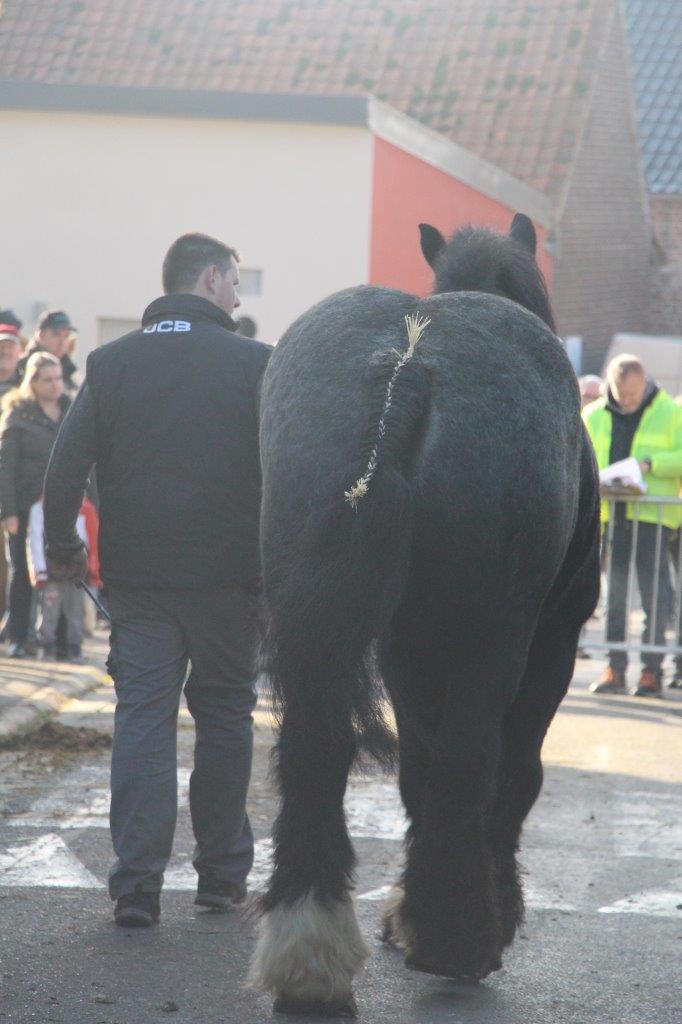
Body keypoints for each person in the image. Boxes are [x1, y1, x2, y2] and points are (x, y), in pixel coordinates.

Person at [42, 232, 272, 928]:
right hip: (233, 581)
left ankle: (136, 885)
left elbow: (64, 466)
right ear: (208, 280)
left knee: (143, 718)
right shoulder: (257, 364)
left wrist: (64, 552)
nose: (236, 294)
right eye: (234, 281)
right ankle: (221, 877)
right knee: (226, 718)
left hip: (140, 582)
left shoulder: (111, 366)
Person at [583, 354, 682, 697]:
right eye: (622, 395)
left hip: (653, 520)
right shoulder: (593, 415)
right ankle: (615, 668)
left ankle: (651, 672)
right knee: (615, 597)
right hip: (612, 517)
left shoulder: (671, 413)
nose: (627, 402)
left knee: (656, 597)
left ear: (645, 384)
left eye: (633, 396)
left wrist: (651, 464)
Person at [0, 353, 71, 657]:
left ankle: (62, 642)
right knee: (23, 572)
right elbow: (6, 466)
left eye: (58, 378)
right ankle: (19, 636)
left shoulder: (72, 410)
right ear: (33, 381)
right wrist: (9, 511)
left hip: (65, 508)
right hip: (26, 507)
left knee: (67, 572)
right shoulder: (18, 414)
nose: (55, 385)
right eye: (48, 379)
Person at [27, 495, 87, 662]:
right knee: (49, 611)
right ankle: (47, 646)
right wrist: (40, 569)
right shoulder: (38, 509)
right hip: (51, 570)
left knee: (75, 611)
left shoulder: (77, 506)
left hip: (73, 571)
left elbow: (83, 534)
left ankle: (75, 647)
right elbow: (35, 540)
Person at [15, 310, 81, 393]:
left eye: (66, 335)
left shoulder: (71, 372)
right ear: (40, 336)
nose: (62, 341)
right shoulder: (20, 369)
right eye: (56, 334)